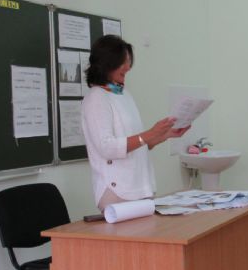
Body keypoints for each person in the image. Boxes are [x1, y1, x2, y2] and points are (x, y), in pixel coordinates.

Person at [81, 35, 190, 212]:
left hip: (139, 187)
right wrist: (149, 134)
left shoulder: (124, 95)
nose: (128, 66)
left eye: (128, 61)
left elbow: (139, 145)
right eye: (123, 62)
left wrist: (165, 134)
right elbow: (107, 147)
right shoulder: (96, 98)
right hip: (117, 191)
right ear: (107, 63)